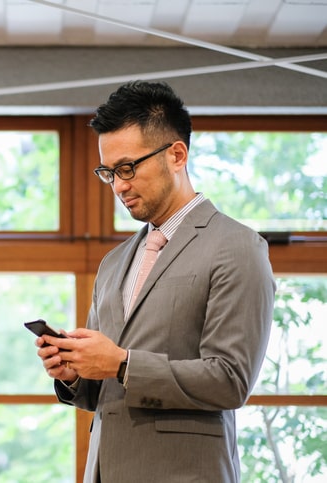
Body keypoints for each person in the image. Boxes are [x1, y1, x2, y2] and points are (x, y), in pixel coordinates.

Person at [35, 80, 275, 482]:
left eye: (128, 168)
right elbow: (105, 386)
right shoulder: (113, 263)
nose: (119, 185)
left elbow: (230, 380)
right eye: (108, 172)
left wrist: (123, 364)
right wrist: (74, 372)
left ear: (177, 155)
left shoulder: (237, 247)